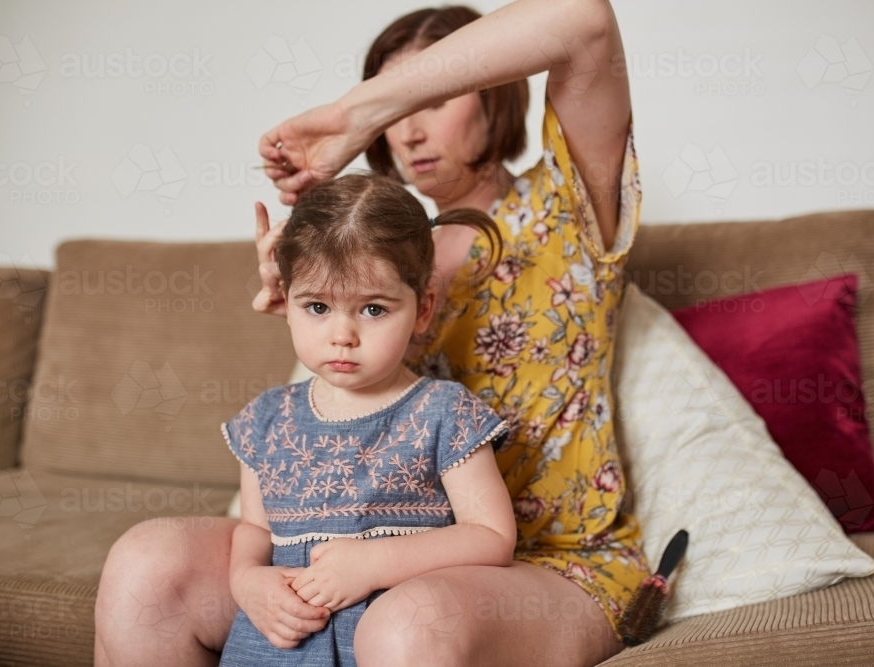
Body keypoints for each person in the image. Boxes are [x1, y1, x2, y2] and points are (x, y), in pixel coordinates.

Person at [95, 2, 647, 665]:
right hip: (366, 546)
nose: (407, 130)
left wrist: (360, 111)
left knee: (404, 624)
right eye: (394, 114)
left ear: (497, 99)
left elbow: (582, 20)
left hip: (548, 563)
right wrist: (314, 296)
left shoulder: (565, 204)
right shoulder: (380, 253)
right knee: (144, 569)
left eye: (434, 96)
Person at [218, 172, 515, 667]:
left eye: (373, 309)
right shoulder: (266, 419)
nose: (342, 335)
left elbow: (492, 536)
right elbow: (253, 528)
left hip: (388, 646)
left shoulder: (444, 412)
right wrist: (247, 580)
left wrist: (376, 562)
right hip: (274, 648)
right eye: (316, 307)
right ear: (283, 301)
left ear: (422, 311)